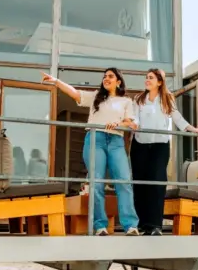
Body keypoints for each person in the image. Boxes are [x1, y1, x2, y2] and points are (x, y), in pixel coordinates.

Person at [41, 68, 141, 236]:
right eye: (104, 76)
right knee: (96, 183)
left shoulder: (126, 101)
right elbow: (74, 93)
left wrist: (117, 123)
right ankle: (100, 225)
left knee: (124, 181)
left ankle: (130, 225)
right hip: (95, 139)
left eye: (110, 76)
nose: (106, 78)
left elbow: (131, 123)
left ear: (119, 81)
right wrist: (56, 81)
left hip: (116, 141)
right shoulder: (96, 97)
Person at [131, 69, 198, 236]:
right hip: (140, 144)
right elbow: (135, 118)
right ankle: (143, 224)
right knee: (140, 184)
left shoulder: (167, 98)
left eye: (150, 78)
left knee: (157, 183)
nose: (147, 80)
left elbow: (178, 118)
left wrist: (193, 129)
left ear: (159, 82)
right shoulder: (138, 99)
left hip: (160, 145)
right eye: (146, 78)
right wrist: (132, 124)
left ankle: (155, 225)